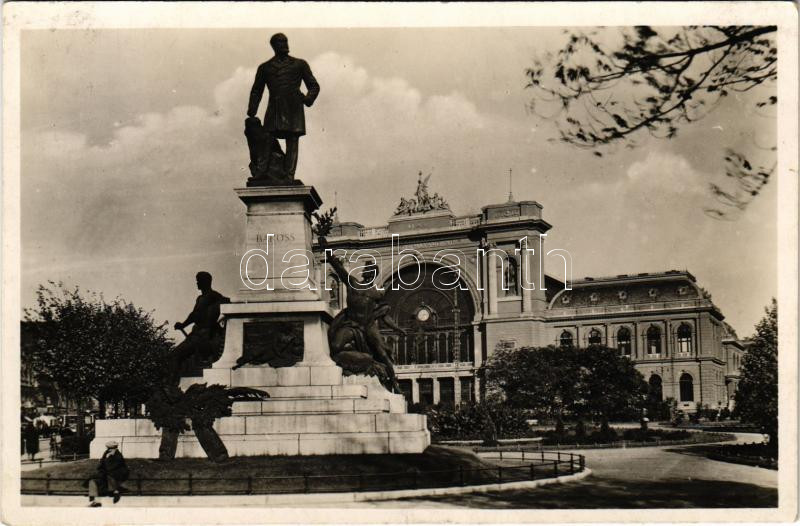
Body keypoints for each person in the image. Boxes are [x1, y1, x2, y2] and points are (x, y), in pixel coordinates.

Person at [325, 250, 405, 392]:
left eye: (370, 271)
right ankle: (358, 362)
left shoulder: (376, 294)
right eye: (366, 270)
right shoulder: (352, 283)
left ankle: (394, 382)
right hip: (350, 324)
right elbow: (340, 269)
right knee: (336, 346)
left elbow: (384, 315)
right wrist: (329, 255)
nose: (367, 272)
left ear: (373, 275)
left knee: (382, 354)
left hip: (368, 326)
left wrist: (397, 329)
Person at [247, 33, 320, 180]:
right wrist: (252, 109)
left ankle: (289, 175)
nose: (284, 44)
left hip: (294, 108)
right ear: (274, 46)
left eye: (285, 41)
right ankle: (261, 171)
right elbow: (257, 90)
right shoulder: (265, 67)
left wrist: (307, 99)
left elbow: (314, 86)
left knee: (292, 140)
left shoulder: (299, 64)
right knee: (267, 137)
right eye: (280, 42)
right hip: (274, 108)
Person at [170, 272, 229, 382]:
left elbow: (195, 315)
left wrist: (183, 324)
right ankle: (173, 383)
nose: (197, 283)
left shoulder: (212, 296)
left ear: (206, 282)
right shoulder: (201, 298)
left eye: (199, 281)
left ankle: (171, 384)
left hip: (203, 335)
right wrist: (183, 324)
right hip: (197, 333)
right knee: (177, 356)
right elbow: (194, 315)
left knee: (176, 355)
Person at [87, 440, 129, 507]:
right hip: (105, 476)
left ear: (115, 448)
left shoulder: (118, 456)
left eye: (111, 449)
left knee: (109, 477)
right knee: (92, 481)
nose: (109, 450)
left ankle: (116, 492)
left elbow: (111, 467)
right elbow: (101, 465)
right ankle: (95, 501)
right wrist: (105, 460)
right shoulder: (106, 453)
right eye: (108, 448)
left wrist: (107, 458)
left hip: (115, 477)